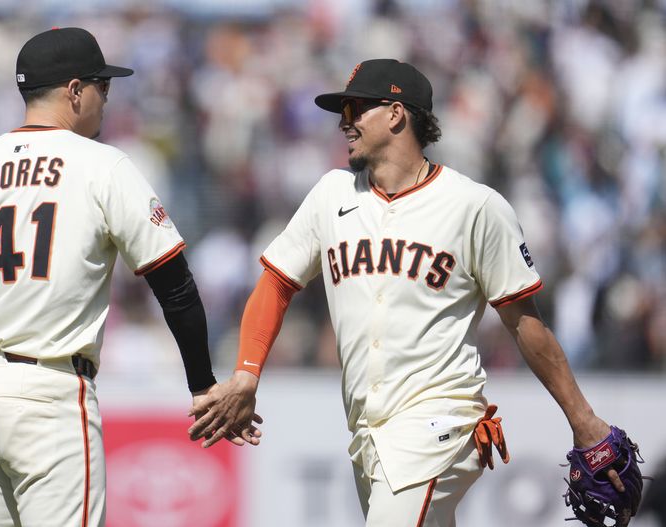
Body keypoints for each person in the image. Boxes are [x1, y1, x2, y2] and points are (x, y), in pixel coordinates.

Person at [189, 59, 625, 526]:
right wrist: (247, 374)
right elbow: (276, 284)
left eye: (356, 109)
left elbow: (525, 323)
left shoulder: (474, 206)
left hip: (440, 420)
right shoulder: (330, 195)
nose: (344, 123)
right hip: (367, 430)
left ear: (396, 114)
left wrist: (584, 421)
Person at [0, 27, 258, 527]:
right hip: (45, 396)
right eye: (103, 86)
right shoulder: (104, 165)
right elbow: (174, 283)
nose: (106, 99)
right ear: (75, 91)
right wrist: (202, 385)